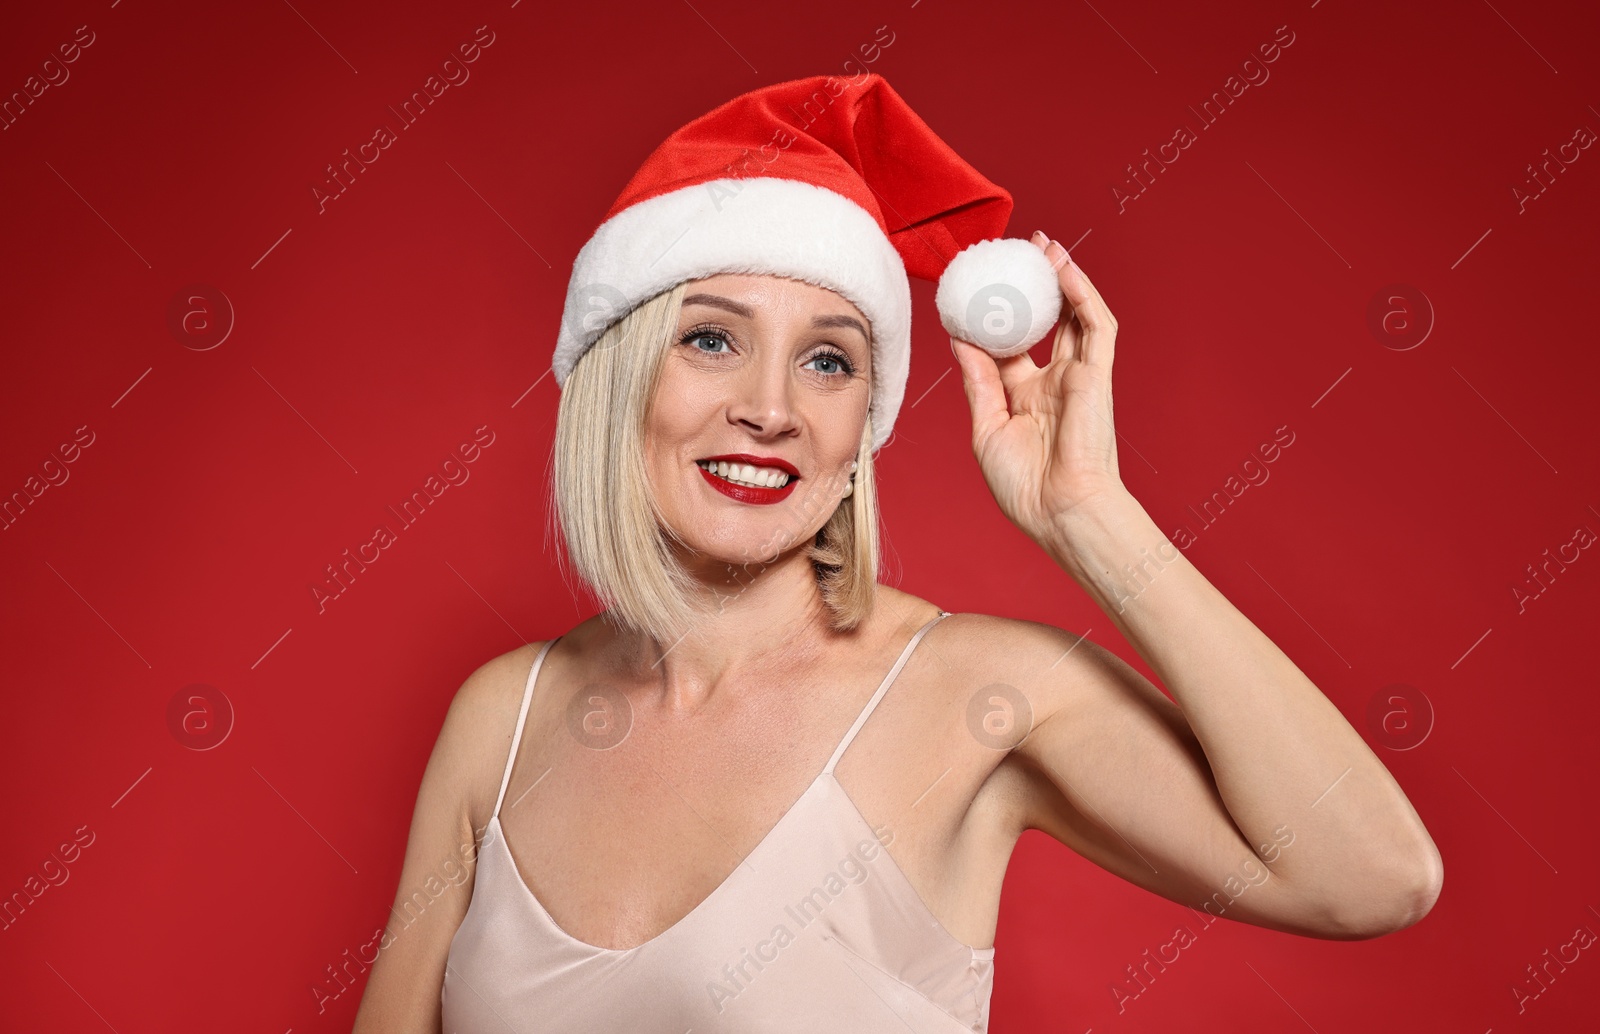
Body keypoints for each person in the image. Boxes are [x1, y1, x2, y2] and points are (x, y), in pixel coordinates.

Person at [352, 74, 1442, 1033]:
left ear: (864, 421)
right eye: (710, 337)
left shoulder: (982, 693)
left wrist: (1089, 514)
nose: (770, 408)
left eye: (829, 360)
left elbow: (1370, 875)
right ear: (616, 372)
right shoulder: (504, 717)